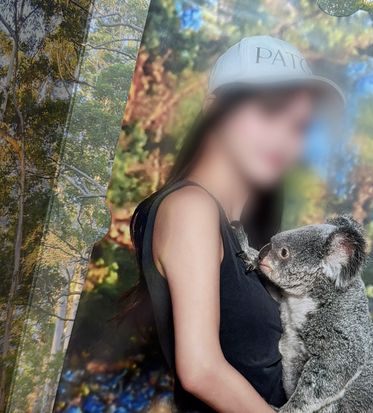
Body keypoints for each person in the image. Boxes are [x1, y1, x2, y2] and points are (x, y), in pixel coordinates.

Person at [128, 36, 343, 412]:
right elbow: (201, 369)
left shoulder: (245, 238)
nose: (284, 137)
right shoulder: (191, 208)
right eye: (269, 110)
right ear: (214, 109)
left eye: (298, 126)